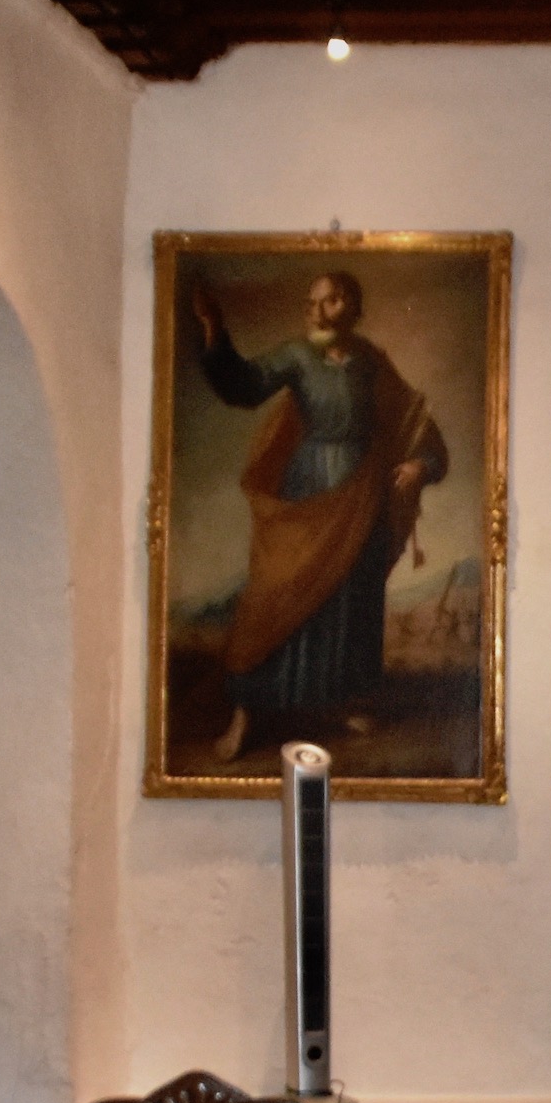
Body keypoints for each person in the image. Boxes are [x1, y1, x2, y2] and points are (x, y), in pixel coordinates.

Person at [190, 270, 450, 761]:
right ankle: (246, 713)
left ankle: (343, 700)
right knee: (277, 592)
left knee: (351, 601)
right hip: (308, 489)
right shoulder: (296, 356)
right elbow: (243, 387)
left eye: (329, 302)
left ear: (351, 306)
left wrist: (420, 463)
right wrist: (214, 334)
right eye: (312, 303)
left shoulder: (372, 364)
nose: (317, 312)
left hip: (361, 497)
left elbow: (418, 422)